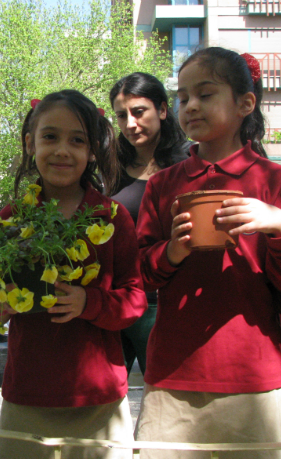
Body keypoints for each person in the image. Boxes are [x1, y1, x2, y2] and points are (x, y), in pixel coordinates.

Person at [135, 47, 281, 459]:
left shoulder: (275, 181)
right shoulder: (163, 185)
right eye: (183, 97)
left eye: (205, 93)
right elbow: (141, 273)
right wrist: (172, 251)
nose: (191, 106)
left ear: (245, 103)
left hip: (253, 378)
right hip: (172, 376)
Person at [0, 90, 148, 459]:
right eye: (50, 137)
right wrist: (0, 306)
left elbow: (135, 299)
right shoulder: (11, 218)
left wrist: (87, 303)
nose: (62, 150)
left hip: (96, 398)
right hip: (30, 389)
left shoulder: (111, 217)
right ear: (30, 144)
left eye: (77, 140)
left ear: (93, 150)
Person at [108, 72, 188, 378]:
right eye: (121, 115)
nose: (130, 123)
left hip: (163, 304)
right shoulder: (110, 164)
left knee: (167, 395)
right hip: (115, 300)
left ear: (163, 110)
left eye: (139, 112)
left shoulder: (187, 164)